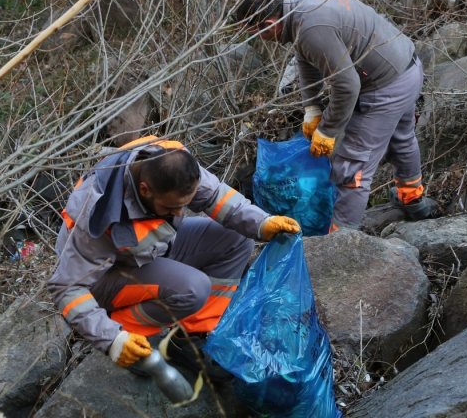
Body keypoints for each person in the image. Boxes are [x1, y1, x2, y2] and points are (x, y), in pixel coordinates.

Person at [46, 135, 301, 373]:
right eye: (171, 207)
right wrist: (113, 339)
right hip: (104, 278)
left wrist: (262, 222)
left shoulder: (170, 160)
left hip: (149, 250)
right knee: (192, 288)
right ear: (145, 190)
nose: (180, 214)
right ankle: (132, 335)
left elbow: (215, 195)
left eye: (184, 205)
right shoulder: (98, 213)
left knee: (237, 238)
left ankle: (193, 333)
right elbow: (67, 287)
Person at [234, 0, 437, 230]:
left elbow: (348, 86)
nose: (260, 39)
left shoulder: (311, 28)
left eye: (257, 33)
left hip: (386, 86)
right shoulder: (300, 6)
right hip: (406, 67)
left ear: (269, 24)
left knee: (352, 167)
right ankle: (412, 198)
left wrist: (328, 130)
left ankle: (341, 241)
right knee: (401, 139)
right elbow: (305, 59)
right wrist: (312, 107)